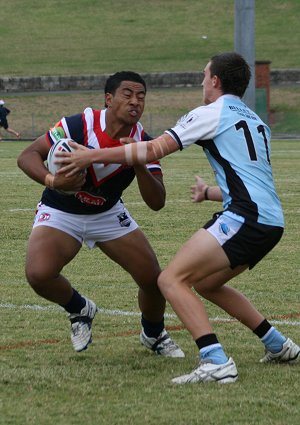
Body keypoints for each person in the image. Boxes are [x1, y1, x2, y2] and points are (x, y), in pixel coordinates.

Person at [56, 52, 299, 383]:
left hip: (246, 218)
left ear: (215, 81)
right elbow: (252, 179)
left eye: (204, 75)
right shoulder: (255, 120)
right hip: (271, 221)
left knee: (170, 279)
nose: (201, 81)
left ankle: (215, 361)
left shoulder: (211, 113)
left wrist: (92, 155)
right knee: (207, 284)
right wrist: (210, 193)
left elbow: (152, 149)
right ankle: (278, 344)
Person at [17, 71, 184, 357]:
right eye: (127, 95)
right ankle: (80, 309)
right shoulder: (78, 124)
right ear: (109, 98)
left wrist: (140, 161)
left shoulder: (144, 140)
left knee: (152, 280)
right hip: (61, 209)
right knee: (38, 274)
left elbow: (157, 202)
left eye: (141, 97)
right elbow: (27, 156)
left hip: (107, 214)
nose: (135, 102)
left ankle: (153, 334)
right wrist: (53, 181)